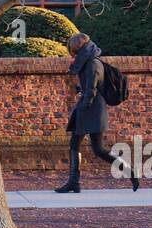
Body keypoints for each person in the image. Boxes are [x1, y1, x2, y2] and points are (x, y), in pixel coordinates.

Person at [57, 33, 140, 193]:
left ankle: (130, 172)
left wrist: (82, 106)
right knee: (75, 143)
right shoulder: (88, 61)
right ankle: (74, 182)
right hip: (89, 107)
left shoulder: (92, 63)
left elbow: (92, 90)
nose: (71, 54)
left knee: (99, 149)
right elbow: (89, 86)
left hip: (93, 109)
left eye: (72, 51)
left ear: (77, 48)